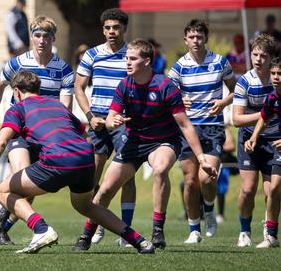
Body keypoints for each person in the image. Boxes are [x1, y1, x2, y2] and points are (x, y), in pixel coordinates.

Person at [0, 71, 155, 254]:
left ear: (16, 92)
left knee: (2, 191)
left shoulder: (17, 108)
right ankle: (139, 240)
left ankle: (41, 229)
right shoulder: (57, 105)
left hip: (57, 160)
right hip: (86, 158)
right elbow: (85, 135)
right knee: (86, 206)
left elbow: (1, 142)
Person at [72, 39, 217, 251]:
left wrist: (202, 159)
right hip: (134, 142)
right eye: (126, 58)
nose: (127, 63)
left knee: (159, 169)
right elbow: (112, 116)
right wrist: (114, 121)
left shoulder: (165, 85)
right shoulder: (125, 85)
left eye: (132, 58)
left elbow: (185, 125)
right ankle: (86, 235)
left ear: (147, 61)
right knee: (104, 190)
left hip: (164, 141)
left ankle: (157, 230)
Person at [0, 15, 74, 245]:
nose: (42, 40)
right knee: (23, 173)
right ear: (31, 37)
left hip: (45, 137)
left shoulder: (64, 70)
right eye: (37, 35)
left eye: (46, 36)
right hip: (19, 131)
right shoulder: (17, 64)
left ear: (53, 38)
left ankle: (3, 224)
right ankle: (6, 221)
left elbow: (65, 108)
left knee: (30, 191)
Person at [168, 19, 235, 243]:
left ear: (205, 38)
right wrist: (180, 99)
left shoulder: (220, 62)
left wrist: (224, 103)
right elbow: (167, 97)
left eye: (199, 36)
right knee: (190, 181)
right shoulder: (178, 67)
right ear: (185, 40)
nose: (196, 40)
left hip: (213, 127)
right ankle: (194, 230)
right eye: (192, 37)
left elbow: (237, 91)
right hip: (188, 129)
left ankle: (209, 210)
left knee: (206, 179)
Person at [75, 8, 136, 247]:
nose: (112, 32)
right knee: (93, 178)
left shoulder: (132, 55)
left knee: (126, 177)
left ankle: (126, 233)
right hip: (98, 121)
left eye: (116, 27)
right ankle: (97, 224)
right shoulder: (92, 55)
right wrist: (89, 116)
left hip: (124, 121)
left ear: (124, 29)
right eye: (108, 28)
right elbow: (79, 88)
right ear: (103, 30)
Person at [232, 34, 278, 247]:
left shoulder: (278, 78)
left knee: (272, 191)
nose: (258, 59)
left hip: (274, 140)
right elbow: (236, 119)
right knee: (248, 190)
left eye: (263, 55)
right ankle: (244, 230)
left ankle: (269, 231)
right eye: (254, 54)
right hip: (249, 140)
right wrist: (264, 114)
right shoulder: (244, 81)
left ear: (271, 58)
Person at [244, 56, 281, 248]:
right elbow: (264, 118)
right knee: (274, 189)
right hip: (278, 148)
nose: (276, 77)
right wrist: (253, 138)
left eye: (279, 74)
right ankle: (272, 236)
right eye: (273, 73)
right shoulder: (273, 97)